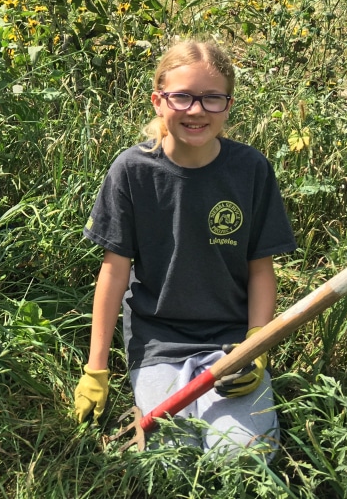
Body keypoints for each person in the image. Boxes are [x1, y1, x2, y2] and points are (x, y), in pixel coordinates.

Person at [72, 40, 295, 460]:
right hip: (158, 339)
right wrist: (95, 370)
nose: (196, 110)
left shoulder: (250, 170)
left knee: (241, 459)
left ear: (228, 106)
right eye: (182, 97)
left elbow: (261, 269)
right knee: (172, 459)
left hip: (231, 340)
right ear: (158, 101)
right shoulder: (132, 171)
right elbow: (114, 272)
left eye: (212, 98)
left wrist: (255, 345)